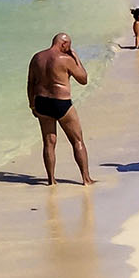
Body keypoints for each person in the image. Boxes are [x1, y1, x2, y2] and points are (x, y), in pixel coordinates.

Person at [26, 33, 93, 186]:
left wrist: (32, 104)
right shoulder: (66, 59)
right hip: (61, 103)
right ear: (64, 44)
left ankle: (51, 180)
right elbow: (83, 79)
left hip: (41, 102)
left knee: (49, 142)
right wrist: (75, 57)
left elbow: (30, 83)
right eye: (69, 46)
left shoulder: (37, 58)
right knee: (77, 141)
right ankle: (86, 179)